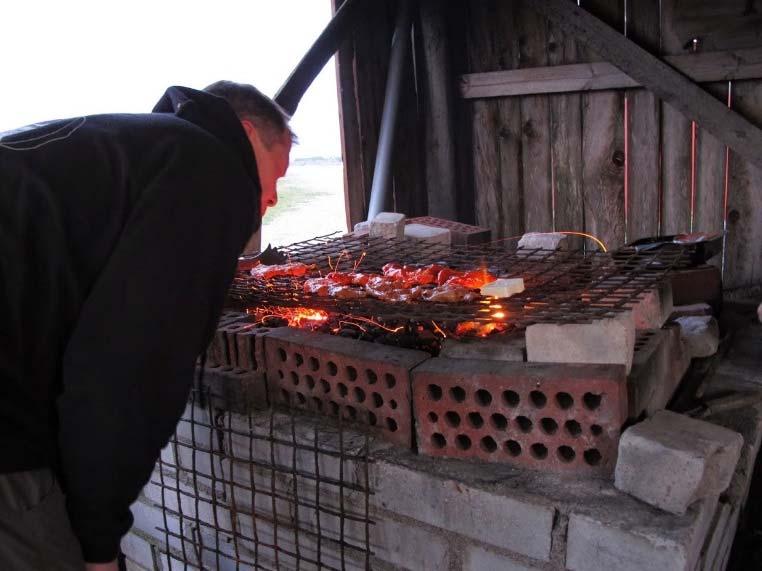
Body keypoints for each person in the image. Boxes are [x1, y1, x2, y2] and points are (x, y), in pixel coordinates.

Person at [0, 80, 293, 570]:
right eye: (276, 174)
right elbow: (124, 375)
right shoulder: (209, 172)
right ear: (243, 132)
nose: (273, 198)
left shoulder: (134, 150)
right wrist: (99, 545)